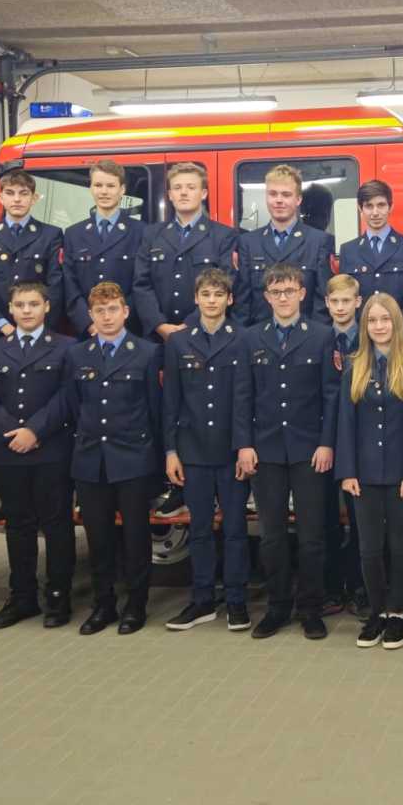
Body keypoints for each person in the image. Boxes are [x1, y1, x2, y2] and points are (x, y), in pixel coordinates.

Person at [234, 262, 340, 640]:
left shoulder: (322, 336)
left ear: (302, 293)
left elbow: (331, 396)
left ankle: (311, 608)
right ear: (266, 297)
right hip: (265, 450)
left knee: (312, 536)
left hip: (309, 450)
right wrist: (244, 444)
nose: (283, 298)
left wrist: (327, 442)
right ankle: (277, 607)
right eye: (276, 292)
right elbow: (242, 396)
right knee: (272, 536)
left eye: (290, 291)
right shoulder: (250, 338)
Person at [61, 281, 163, 637]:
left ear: (126, 312)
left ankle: (136, 605)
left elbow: (155, 409)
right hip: (91, 459)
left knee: (135, 537)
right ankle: (103, 604)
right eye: (100, 311)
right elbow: (75, 405)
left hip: (133, 457)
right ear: (91, 315)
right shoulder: (77, 355)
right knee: (98, 538)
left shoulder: (147, 353)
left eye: (113, 309)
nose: (107, 317)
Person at [0, 280, 76, 630]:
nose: (27, 310)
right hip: (10, 452)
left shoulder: (66, 347)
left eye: (34, 304)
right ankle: (22, 598)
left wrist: (35, 431)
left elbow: (67, 396)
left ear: (47, 307)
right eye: (20, 305)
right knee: (18, 527)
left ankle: (59, 597)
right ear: (10, 309)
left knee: (57, 525)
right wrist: (13, 433)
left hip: (52, 450)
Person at [336, 293, 403, 650]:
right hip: (364, 474)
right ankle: (376, 613)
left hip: (402, 474)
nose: (379, 326)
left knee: (401, 546)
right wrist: (348, 471)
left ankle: (397, 614)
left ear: (396, 323)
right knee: (369, 548)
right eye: (372, 320)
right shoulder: (354, 364)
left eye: (385, 319)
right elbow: (346, 423)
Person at [163, 268, 251, 633]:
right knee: (199, 529)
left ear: (230, 299)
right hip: (193, 450)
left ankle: (236, 601)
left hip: (231, 452)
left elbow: (246, 398)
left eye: (218, 295)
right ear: (195, 299)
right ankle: (201, 601)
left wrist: (245, 447)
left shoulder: (243, 338)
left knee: (235, 529)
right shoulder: (178, 342)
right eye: (205, 295)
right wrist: (171, 450)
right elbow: (171, 400)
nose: (212, 301)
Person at [133, 160, 239, 339]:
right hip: (159, 337)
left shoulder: (223, 235)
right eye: (177, 187)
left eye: (191, 187)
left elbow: (227, 284)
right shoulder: (151, 234)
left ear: (203, 193)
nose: (183, 192)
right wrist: (159, 325)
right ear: (170, 195)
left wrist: (190, 324)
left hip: (205, 334)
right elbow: (141, 284)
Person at [0, 168, 63, 341]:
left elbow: (55, 288)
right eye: (10, 193)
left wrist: (38, 329)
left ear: (34, 198)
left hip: (38, 334)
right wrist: (3, 326)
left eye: (24, 193)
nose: (17, 199)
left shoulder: (51, 235)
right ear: (0, 198)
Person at [234, 164, 335, 325]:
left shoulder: (319, 241)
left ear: (298, 199)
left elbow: (322, 302)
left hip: (306, 334)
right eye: (273, 194)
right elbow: (242, 303)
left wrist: (316, 337)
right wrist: (245, 337)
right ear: (266, 197)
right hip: (259, 335)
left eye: (286, 195)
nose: (279, 200)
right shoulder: (248, 242)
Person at [323, 272, 367, 616]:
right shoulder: (318, 338)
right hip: (323, 438)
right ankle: (331, 588)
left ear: (358, 302)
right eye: (335, 301)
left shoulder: (369, 338)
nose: (340, 307)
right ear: (326, 303)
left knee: (360, 520)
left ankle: (360, 588)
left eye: (346, 301)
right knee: (324, 519)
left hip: (359, 439)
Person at [63, 159, 145, 336]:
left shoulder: (141, 232)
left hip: (127, 331)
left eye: (111, 186)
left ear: (122, 190)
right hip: (88, 332)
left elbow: (142, 284)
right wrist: (90, 324)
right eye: (98, 185)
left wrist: (117, 323)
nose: (104, 191)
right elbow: (70, 287)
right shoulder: (73, 234)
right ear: (91, 188)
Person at [338, 180, 403, 322]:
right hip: (363, 330)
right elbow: (345, 298)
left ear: (391, 207)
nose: (375, 213)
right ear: (360, 208)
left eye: (381, 205)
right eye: (369, 206)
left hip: (400, 329)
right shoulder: (348, 250)